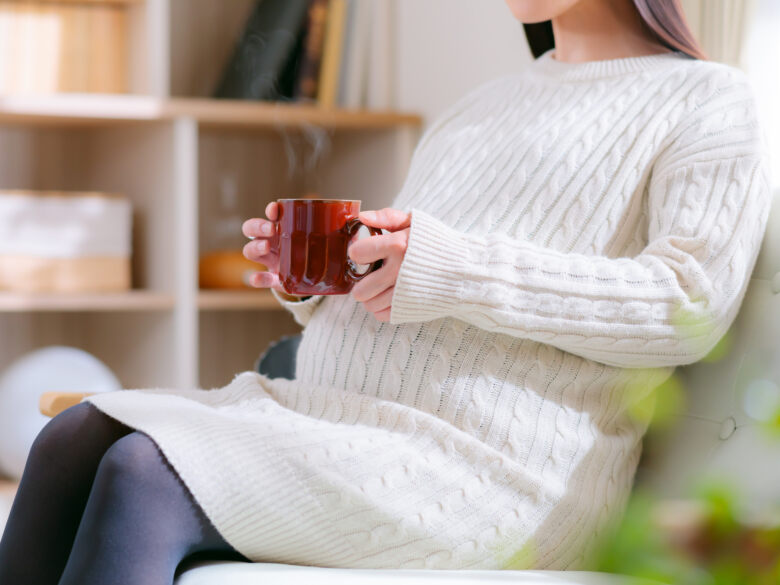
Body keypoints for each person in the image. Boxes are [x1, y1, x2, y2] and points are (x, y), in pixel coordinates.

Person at [0, 0, 772, 583]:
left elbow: (687, 303)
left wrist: (450, 267)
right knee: (71, 438)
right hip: (341, 421)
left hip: (493, 472)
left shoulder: (709, 101)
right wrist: (328, 275)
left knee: (143, 472)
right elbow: (421, 282)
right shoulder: (479, 107)